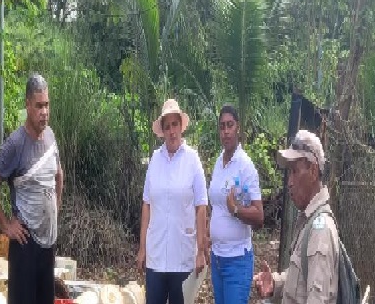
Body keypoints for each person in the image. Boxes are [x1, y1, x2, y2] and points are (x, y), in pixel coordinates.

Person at [0, 73, 64, 304]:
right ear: (27, 105)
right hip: (25, 244)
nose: (44, 112)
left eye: (47, 105)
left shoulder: (50, 135)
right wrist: (6, 225)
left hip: (48, 244)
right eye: (39, 106)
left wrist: (56, 205)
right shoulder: (16, 144)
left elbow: (58, 173)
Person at [253, 130, 339, 304]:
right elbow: (302, 280)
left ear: (313, 171)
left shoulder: (320, 231)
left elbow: (318, 299)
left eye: (294, 171)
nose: (289, 182)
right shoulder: (309, 221)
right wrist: (276, 284)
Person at [137, 98, 209, 304]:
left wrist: (201, 252)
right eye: (167, 127)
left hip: (183, 256)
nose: (171, 131)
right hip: (156, 255)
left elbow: (201, 207)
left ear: (181, 127)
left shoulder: (192, 160)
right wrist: (142, 249)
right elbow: (147, 205)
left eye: (174, 125)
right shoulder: (155, 160)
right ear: (162, 131)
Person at [208, 105, 264, 304]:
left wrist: (236, 209)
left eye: (229, 125)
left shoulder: (245, 166)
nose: (226, 131)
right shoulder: (218, 163)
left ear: (237, 127)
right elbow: (215, 206)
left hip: (237, 261)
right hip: (217, 259)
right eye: (222, 126)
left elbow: (259, 216)